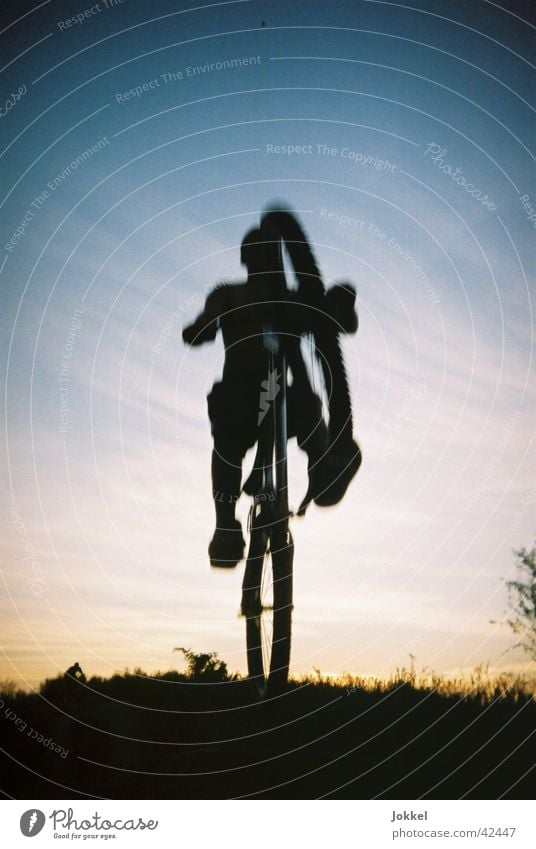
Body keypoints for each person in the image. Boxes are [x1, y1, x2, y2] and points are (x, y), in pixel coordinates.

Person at [182, 210, 361, 567]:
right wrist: (204, 326)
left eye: (269, 253)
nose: (263, 261)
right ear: (246, 259)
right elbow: (199, 328)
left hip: (283, 394)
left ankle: (323, 466)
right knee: (228, 443)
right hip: (239, 393)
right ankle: (225, 524)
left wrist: (339, 303)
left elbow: (337, 327)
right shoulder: (229, 294)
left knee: (308, 406)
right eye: (257, 253)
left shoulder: (295, 300)